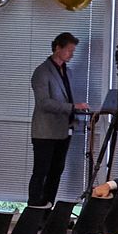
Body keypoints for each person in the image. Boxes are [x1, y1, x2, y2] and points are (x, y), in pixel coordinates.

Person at [29, 32, 88, 206]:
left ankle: (47, 208)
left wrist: (74, 115)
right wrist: (72, 107)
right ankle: (34, 209)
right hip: (45, 132)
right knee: (41, 172)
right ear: (57, 48)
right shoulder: (42, 72)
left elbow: (66, 97)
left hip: (63, 130)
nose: (71, 54)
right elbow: (44, 103)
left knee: (56, 172)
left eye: (73, 51)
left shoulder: (67, 72)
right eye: (69, 50)